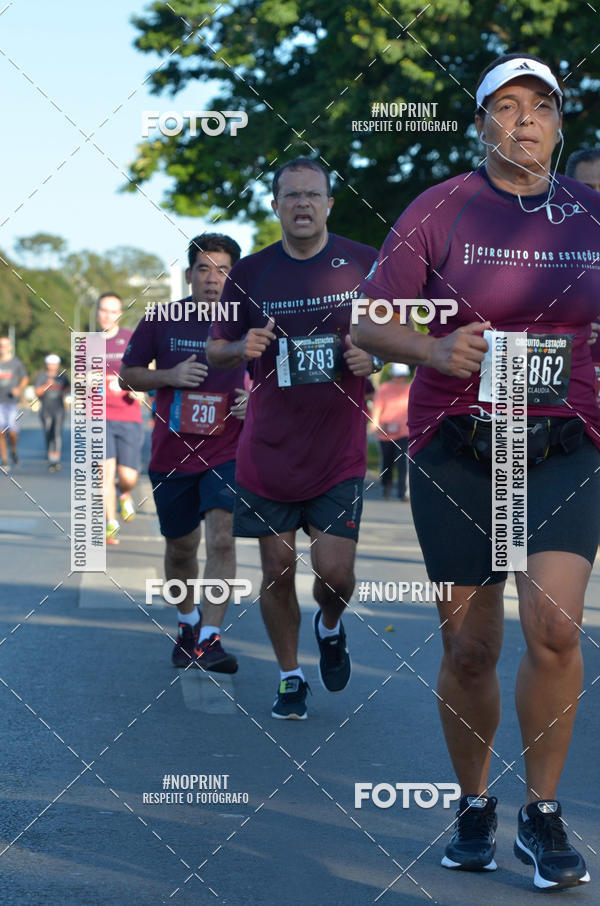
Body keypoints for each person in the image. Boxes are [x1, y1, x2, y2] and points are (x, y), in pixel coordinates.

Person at [353, 53, 600, 891]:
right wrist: (430, 346)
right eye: (506, 106)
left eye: (541, 106)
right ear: (482, 122)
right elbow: (371, 321)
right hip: (460, 446)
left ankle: (541, 813)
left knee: (556, 631)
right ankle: (471, 804)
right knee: (470, 646)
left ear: (562, 124)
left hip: (564, 444)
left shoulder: (591, 214)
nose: (524, 119)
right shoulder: (440, 208)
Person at [207, 157, 378, 719]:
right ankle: (289, 676)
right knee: (277, 571)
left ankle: (330, 624)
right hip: (269, 451)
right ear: (275, 205)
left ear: (330, 203)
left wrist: (372, 355)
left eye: (313, 195)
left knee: (335, 573)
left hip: (339, 449)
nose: (302, 204)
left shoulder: (365, 264)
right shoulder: (250, 273)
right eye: (291, 196)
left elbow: (404, 332)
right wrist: (243, 348)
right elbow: (217, 349)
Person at [120, 233, 247, 673]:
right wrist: (169, 374)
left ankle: (211, 638)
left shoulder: (249, 323)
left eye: (224, 270)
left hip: (229, 450)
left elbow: (273, 378)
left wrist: (256, 400)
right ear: (189, 274)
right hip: (172, 453)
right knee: (180, 549)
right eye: (205, 269)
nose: (214, 279)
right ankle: (187, 623)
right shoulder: (162, 319)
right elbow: (128, 376)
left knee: (222, 537)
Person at [97, 293, 144, 544]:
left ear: (119, 314)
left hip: (128, 416)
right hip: (100, 416)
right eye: (103, 310)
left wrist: (135, 387)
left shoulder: (130, 339)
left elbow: (145, 374)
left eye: (113, 311)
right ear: (97, 311)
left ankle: (124, 493)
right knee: (104, 473)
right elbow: (79, 382)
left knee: (128, 477)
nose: (107, 315)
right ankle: (111, 524)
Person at [370, 363, 411, 500]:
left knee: (403, 463)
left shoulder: (410, 388)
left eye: (402, 376)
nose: (400, 378)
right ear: (392, 375)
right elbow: (377, 407)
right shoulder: (384, 388)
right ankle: (385, 487)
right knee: (387, 462)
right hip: (385, 431)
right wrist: (375, 422)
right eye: (397, 375)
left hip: (405, 431)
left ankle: (402, 492)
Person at [34, 355, 69, 471]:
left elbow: (68, 387)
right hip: (46, 410)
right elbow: (37, 393)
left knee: (57, 433)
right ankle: (50, 457)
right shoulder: (42, 376)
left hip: (59, 409)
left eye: (55, 364)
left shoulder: (62, 376)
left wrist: (64, 392)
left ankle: (56, 459)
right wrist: (47, 385)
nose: (53, 366)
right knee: (49, 433)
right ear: (47, 364)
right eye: (50, 364)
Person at [0, 336, 28, 472]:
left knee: (12, 431)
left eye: (5, 345)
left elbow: (25, 378)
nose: (3, 347)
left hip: (11, 402)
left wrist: (18, 389)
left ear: (10, 346)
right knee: (1, 431)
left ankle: (13, 449)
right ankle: (4, 459)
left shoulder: (16, 363)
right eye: (1, 345)